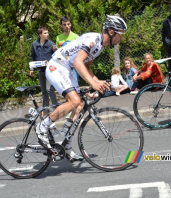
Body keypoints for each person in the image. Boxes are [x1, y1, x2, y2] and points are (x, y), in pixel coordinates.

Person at [36, 14, 127, 161]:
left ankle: (66, 145)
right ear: (112, 32)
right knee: (74, 101)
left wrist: (98, 82)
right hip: (57, 66)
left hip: (67, 69)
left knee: (78, 107)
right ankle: (42, 127)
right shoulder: (93, 40)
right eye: (120, 35)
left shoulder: (100, 47)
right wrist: (93, 83)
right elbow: (78, 62)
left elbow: (86, 66)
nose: (121, 39)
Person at [30, 26, 58, 108]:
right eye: (45, 33)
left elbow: (57, 57)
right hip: (41, 70)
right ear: (40, 35)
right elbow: (32, 57)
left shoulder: (51, 44)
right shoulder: (34, 45)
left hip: (50, 70)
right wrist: (31, 69)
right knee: (44, 91)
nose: (47, 34)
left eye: (47, 33)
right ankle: (45, 109)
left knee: (50, 89)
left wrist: (55, 52)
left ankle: (55, 107)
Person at [56, 16, 80, 83]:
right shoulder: (58, 38)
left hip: (73, 65)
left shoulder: (76, 37)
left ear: (70, 24)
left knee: (74, 84)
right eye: (64, 24)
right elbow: (58, 52)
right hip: (63, 64)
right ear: (61, 26)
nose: (67, 26)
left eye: (68, 24)